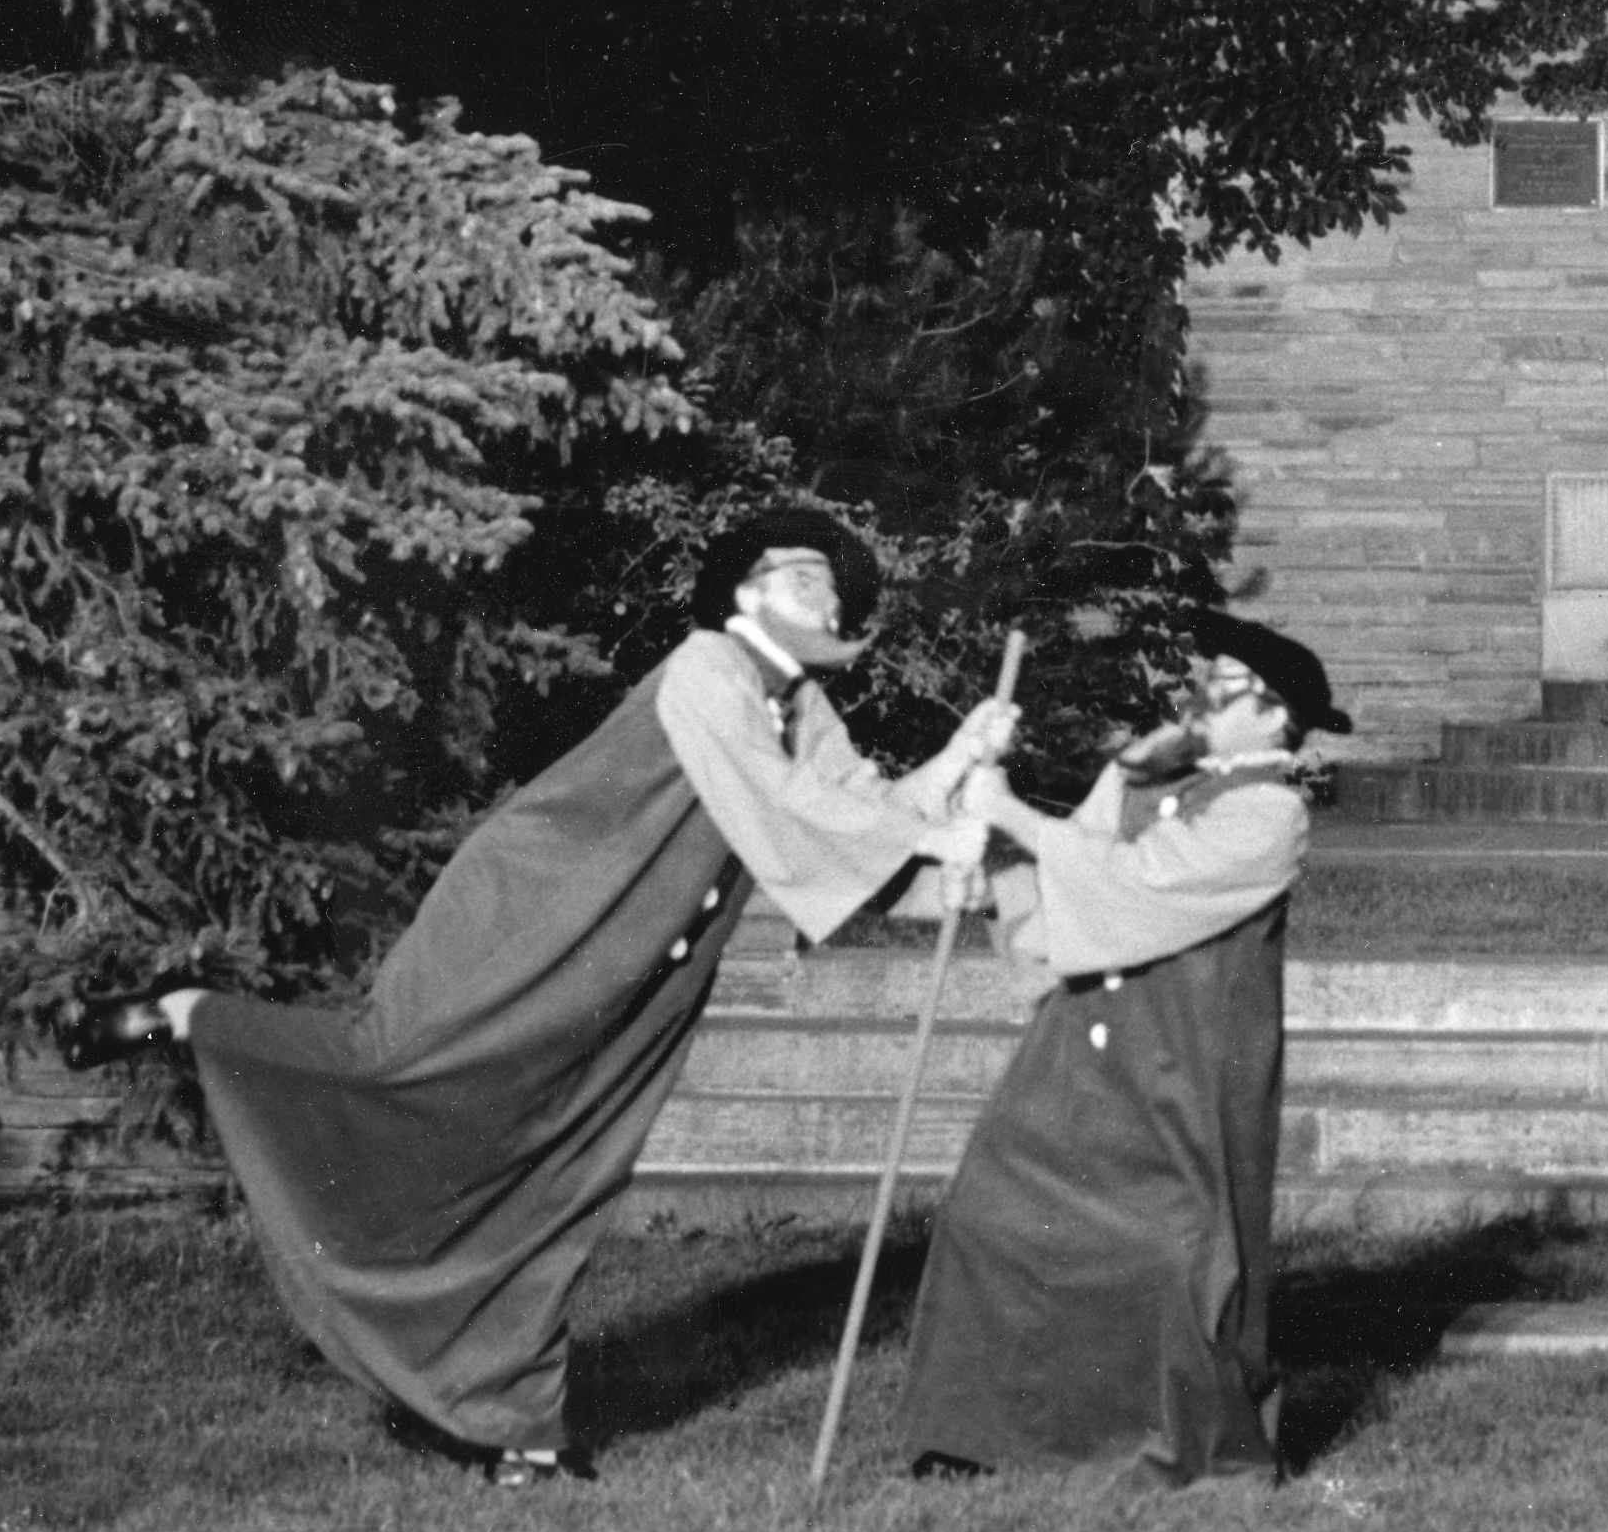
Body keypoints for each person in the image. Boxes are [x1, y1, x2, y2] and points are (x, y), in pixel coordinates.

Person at [64, 507, 1017, 1483]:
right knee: (389, 1062)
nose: (827, 596)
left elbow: (853, 805)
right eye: (804, 575)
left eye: (831, 582)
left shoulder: (798, 704)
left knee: (558, 1167)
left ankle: (511, 1422)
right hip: (534, 917)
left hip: (636, 971)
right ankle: (188, 1013)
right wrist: (935, 833)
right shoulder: (706, 671)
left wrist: (953, 767)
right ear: (746, 590)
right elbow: (783, 811)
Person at [891, 619, 1348, 1494]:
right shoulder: (1142, 776)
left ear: (1276, 716)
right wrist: (990, 866)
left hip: (1179, 1061)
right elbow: (1072, 874)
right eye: (1202, 678)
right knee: (993, 1215)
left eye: (1224, 684)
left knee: (1167, 1254)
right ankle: (979, 1436)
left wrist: (1018, 814)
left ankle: (1171, 1447)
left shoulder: (1270, 813)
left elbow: (1139, 884)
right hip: (1080, 1041)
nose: (1199, 697)